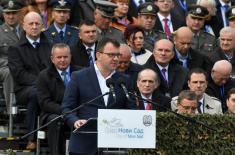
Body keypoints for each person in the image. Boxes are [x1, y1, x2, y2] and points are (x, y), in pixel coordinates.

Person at [61, 38, 136, 155]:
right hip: (84, 144)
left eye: (118, 55)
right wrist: (75, 121)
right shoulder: (79, 77)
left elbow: (132, 110)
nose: (116, 59)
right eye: (111, 55)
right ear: (98, 55)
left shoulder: (124, 80)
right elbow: (66, 108)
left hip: (115, 146)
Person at [8, 12, 51, 150]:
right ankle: (31, 137)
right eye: (31, 24)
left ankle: (51, 135)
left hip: (47, 86)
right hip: (24, 90)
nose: (34, 26)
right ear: (24, 26)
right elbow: (20, 75)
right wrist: (42, 83)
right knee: (35, 93)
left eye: (37, 23)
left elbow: (52, 69)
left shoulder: (50, 46)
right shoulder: (15, 48)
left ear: (42, 26)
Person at [37, 43, 81, 155]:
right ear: (52, 59)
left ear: (70, 57)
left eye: (65, 57)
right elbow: (45, 103)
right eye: (59, 57)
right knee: (55, 121)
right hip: (55, 112)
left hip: (77, 110)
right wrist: (65, 111)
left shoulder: (81, 73)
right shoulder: (44, 75)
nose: (62, 60)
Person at [0, 0, 24, 113]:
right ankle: (11, 111)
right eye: (8, 13)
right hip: (4, 67)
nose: (11, 16)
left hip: (25, 66)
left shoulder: (26, 30)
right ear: (3, 14)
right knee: (9, 72)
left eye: (14, 13)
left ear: (19, 14)